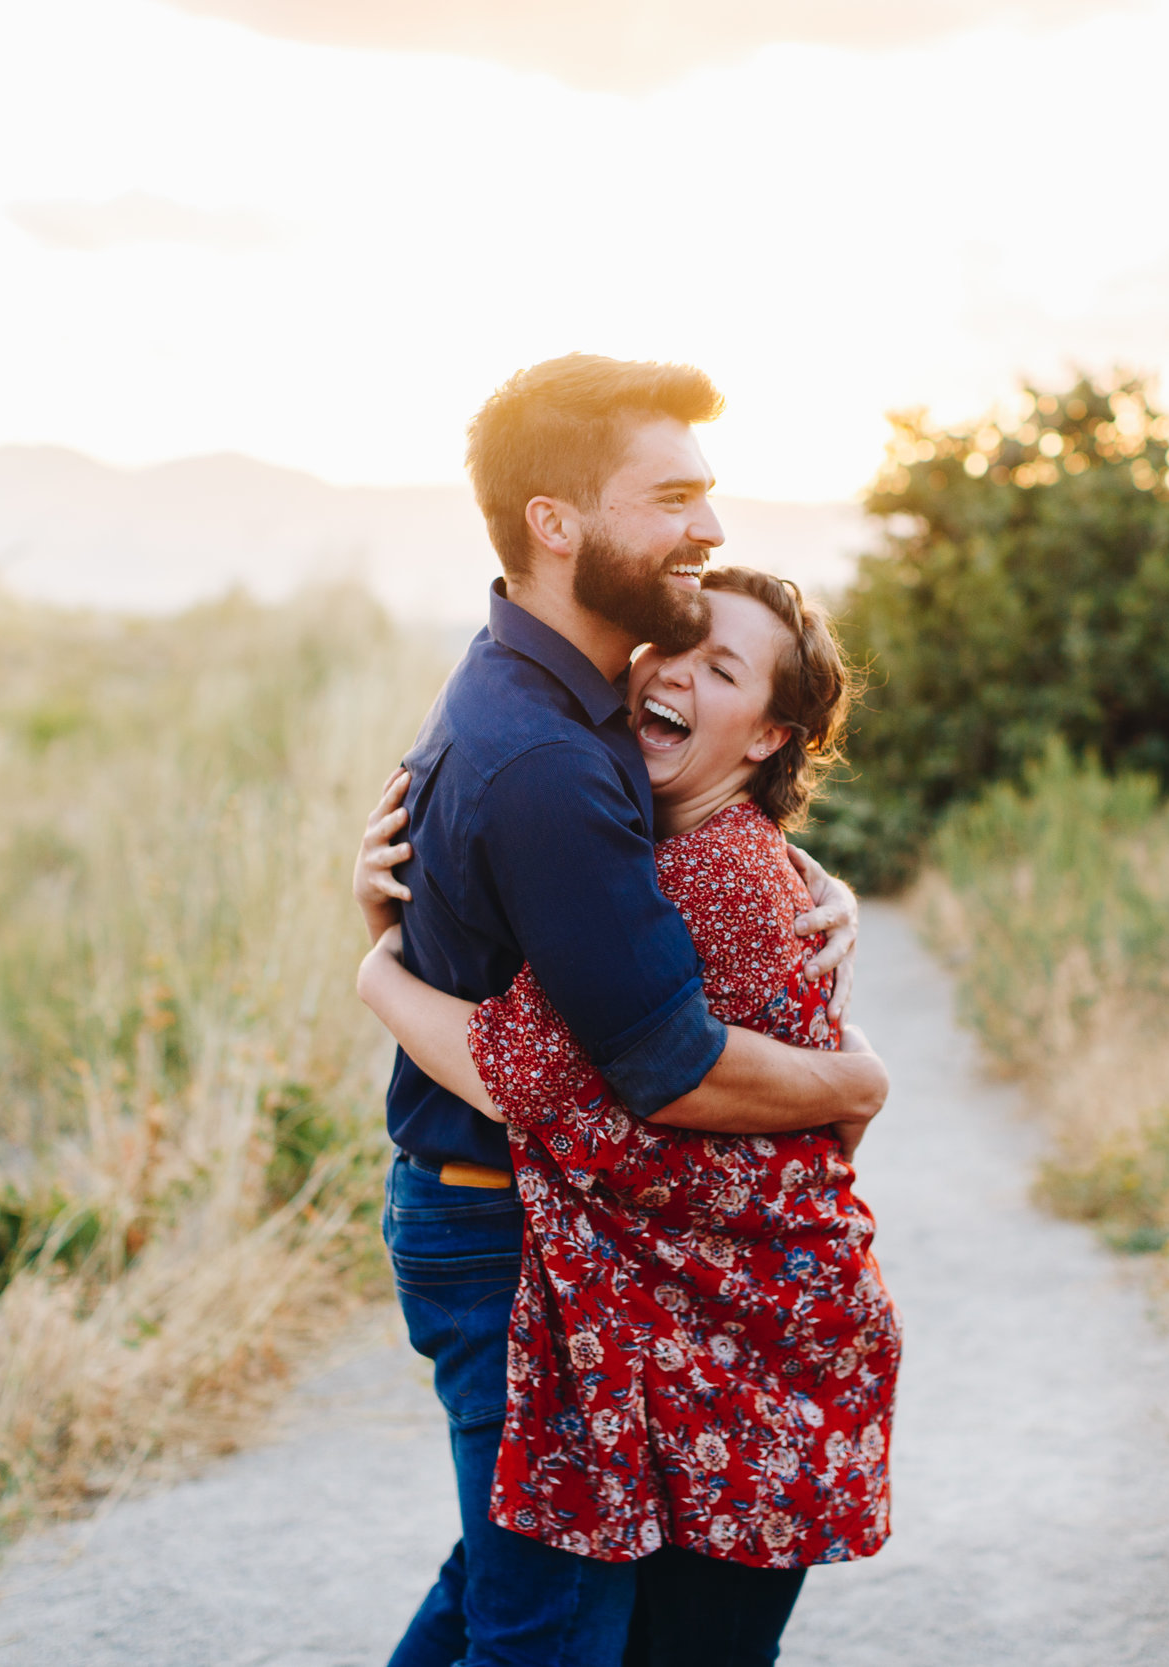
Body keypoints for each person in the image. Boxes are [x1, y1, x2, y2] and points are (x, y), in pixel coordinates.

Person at [350, 355, 888, 1667]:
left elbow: (690, 900)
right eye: (674, 497)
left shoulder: (557, 706)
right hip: (508, 1225)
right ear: (557, 520)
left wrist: (381, 959)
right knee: (546, 1630)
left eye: (724, 672)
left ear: (768, 736)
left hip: (598, 1252)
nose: (707, 530)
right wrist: (854, 1080)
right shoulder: (550, 755)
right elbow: (644, 1070)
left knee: (506, 1583)